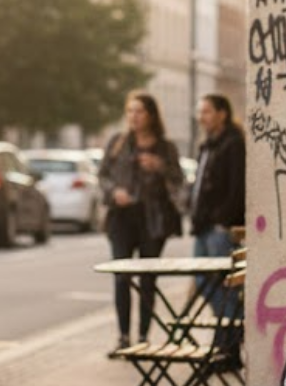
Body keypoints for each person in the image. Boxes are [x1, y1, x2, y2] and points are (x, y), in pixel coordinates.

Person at [99, 90, 185, 354]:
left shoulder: (165, 147)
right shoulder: (118, 142)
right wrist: (114, 192)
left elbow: (179, 179)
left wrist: (160, 167)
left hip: (153, 220)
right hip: (121, 218)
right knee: (121, 276)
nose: (133, 116)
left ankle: (144, 336)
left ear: (151, 115)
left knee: (148, 279)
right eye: (130, 111)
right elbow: (103, 175)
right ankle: (123, 337)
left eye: (139, 111)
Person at [189, 94, 245, 321]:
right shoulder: (208, 145)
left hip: (219, 228)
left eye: (206, 112)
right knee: (202, 279)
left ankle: (231, 329)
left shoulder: (233, 143)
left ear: (222, 114)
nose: (201, 117)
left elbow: (237, 188)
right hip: (203, 226)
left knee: (223, 283)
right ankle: (228, 329)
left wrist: (223, 220)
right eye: (199, 112)